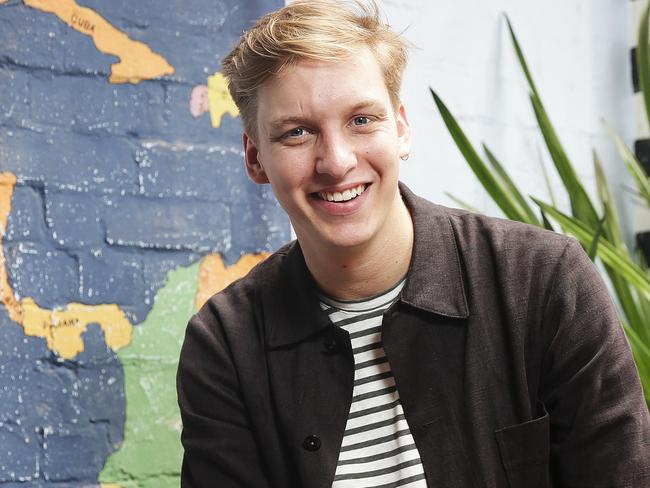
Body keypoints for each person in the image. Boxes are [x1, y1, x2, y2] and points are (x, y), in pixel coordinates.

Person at [176, 1, 650, 487]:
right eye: (297, 132)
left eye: (361, 120)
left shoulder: (547, 282)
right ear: (256, 159)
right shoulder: (224, 346)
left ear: (401, 128)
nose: (336, 162)